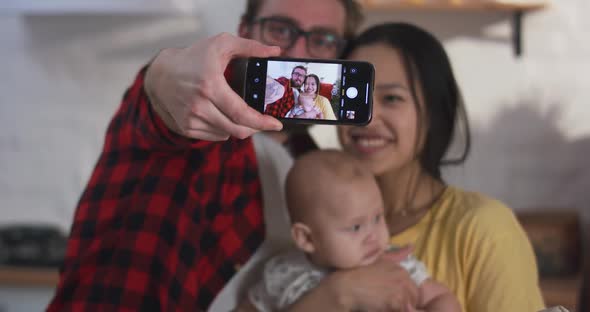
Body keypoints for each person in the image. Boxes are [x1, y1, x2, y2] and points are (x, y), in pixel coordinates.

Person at [47, 1, 423, 311]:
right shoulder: (196, 118)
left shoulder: (314, 167)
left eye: (323, 39)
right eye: (279, 29)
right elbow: (162, 96)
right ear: (245, 30)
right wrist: (164, 74)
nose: (296, 52)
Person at [337, 22, 545, 311]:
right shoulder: (317, 221)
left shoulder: (484, 229)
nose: (367, 119)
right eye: (354, 95)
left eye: (392, 98)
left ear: (435, 111)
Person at [238, 150, 461, 312]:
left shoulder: (396, 267)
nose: (373, 234)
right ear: (306, 238)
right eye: (356, 227)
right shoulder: (285, 273)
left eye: (377, 217)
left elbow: (441, 296)